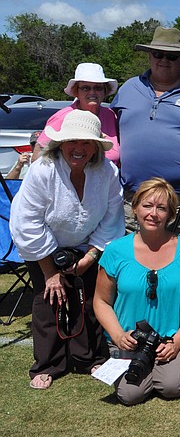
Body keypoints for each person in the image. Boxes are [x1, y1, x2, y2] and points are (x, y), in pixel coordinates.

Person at [10, 110, 124, 390]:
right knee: (49, 300)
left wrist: (89, 257)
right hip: (40, 245)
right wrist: (50, 271)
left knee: (88, 301)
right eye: (72, 141)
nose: (79, 148)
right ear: (61, 144)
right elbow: (27, 223)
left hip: (87, 245)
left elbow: (112, 218)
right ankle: (48, 364)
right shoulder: (42, 171)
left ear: (96, 147)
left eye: (86, 143)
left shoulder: (108, 172)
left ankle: (89, 358)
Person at [93, 178, 180, 405]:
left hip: (170, 339)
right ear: (134, 209)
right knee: (130, 395)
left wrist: (178, 341)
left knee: (172, 387)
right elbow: (101, 301)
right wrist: (118, 336)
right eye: (147, 206)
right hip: (130, 340)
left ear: (170, 214)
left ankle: (176, 360)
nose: (154, 213)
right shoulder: (115, 250)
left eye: (161, 208)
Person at [110, 26, 180, 242]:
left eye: (171, 56)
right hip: (134, 198)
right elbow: (111, 130)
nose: (164, 60)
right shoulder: (128, 89)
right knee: (134, 262)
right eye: (158, 54)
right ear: (149, 55)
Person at [33, 63, 120, 165]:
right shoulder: (63, 117)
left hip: (108, 179)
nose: (92, 92)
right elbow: (37, 159)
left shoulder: (110, 115)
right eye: (85, 88)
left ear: (105, 91)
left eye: (98, 88)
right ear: (76, 91)